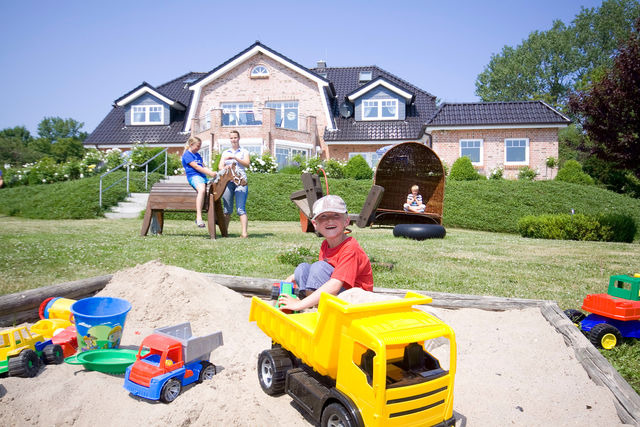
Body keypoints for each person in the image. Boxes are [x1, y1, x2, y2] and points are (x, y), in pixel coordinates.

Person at [278, 195, 373, 312]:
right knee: (302, 268)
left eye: (336, 215)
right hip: (339, 295)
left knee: (319, 267)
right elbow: (322, 273)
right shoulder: (325, 244)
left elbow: (335, 284)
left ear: (346, 221)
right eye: (323, 216)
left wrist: (299, 304)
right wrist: (294, 276)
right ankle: (315, 305)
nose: (330, 220)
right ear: (315, 224)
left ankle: (309, 305)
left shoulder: (350, 248)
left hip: (357, 301)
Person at [219, 130, 250, 238]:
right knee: (227, 209)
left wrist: (236, 158)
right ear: (230, 139)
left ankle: (244, 233)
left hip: (241, 182)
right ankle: (225, 233)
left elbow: (247, 164)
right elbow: (220, 167)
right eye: (231, 138)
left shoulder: (244, 151)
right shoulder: (225, 152)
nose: (233, 140)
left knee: (241, 209)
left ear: (239, 138)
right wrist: (225, 167)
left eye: (235, 137)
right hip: (228, 182)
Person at [182, 136, 218, 227]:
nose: (199, 148)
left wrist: (212, 172)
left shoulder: (198, 155)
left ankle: (216, 216)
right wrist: (210, 173)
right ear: (191, 145)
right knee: (201, 190)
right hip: (194, 176)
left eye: (200, 146)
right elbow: (197, 167)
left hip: (202, 177)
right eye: (198, 146)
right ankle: (198, 217)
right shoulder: (187, 155)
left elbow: (203, 166)